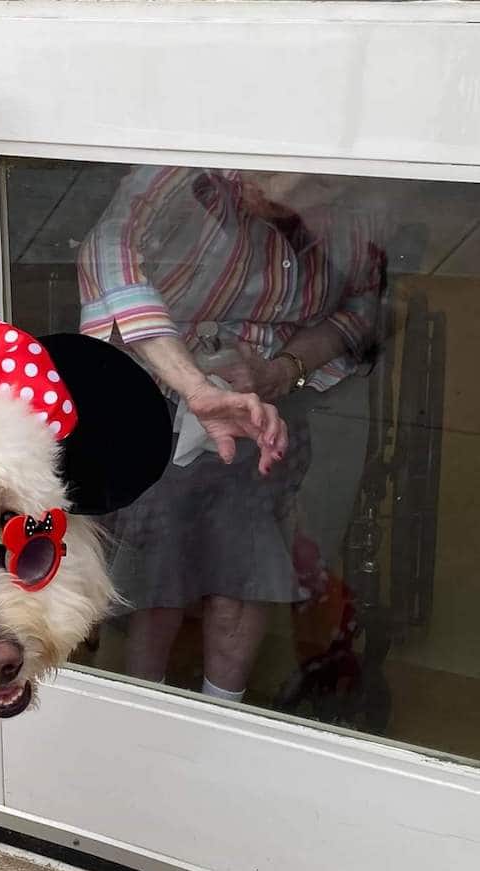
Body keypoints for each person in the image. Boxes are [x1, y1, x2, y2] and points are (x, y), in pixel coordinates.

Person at [77, 166, 384, 702]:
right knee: (156, 582)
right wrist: (196, 386)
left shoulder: (339, 215)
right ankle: (140, 716)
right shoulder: (182, 176)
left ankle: (226, 714)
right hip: (152, 402)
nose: (304, 200)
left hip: (262, 415)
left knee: (244, 568)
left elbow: (363, 309)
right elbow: (107, 260)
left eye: (324, 189)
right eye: (291, 182)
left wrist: (282, 370)